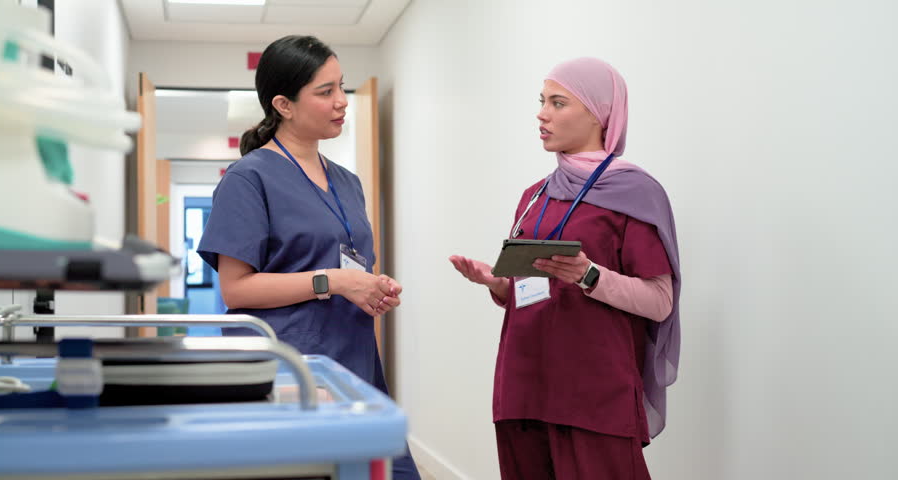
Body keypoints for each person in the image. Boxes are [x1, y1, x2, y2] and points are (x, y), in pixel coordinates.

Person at [197, 35, 421, 480]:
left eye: (342, 87)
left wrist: (370, 288)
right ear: (283, 104)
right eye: (325, 92)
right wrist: (334, 282)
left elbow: (348, 264)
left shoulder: (348, 182)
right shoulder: (248, 178)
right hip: (290, 368)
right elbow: (236, 287)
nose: (342, 101)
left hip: (353, 360)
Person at [449, 57, 681, 479]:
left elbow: (660, 302)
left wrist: (591, 275)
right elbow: (529, 289)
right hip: (524, 386)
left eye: (558, 103)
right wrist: (497, 283)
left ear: (599, 113)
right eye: (542, 101)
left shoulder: (635, 194)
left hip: (594, 393)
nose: (541, 114)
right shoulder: (535, 196)